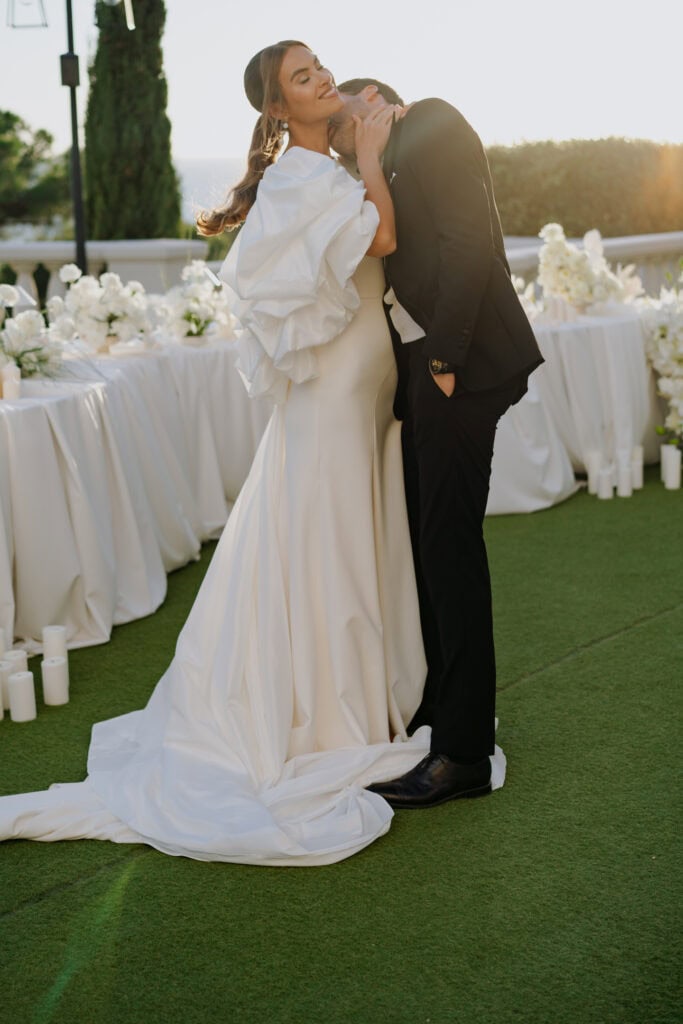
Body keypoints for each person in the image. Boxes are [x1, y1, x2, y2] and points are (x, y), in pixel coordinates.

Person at [0, 43, 507, 867]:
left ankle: (387, 700)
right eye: (304, 79)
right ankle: (330, 712)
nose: (324, 80)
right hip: (341, 387)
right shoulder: (304, 176)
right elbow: (382, 237)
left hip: (373, 382)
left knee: (366, 532)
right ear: (278, 111)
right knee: (330, 533)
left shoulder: (329, 165)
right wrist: (373, 154)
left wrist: (367, 152)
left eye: (319, 67)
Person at [329, 81, 544, 808]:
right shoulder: (387, 157)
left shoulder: (430, 123)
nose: (341, 138)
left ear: (375, 100)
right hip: (423, 375)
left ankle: (462, 756)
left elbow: (468, 242)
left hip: (459, 366)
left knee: (448, 549)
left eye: (345, 122)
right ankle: (444, 711)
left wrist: (444, 359)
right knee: (428, 547)